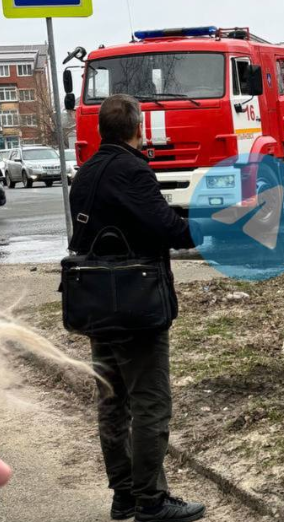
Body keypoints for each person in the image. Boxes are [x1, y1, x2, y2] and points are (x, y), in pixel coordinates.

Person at [68, 94, 205, 522]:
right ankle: (151, 499)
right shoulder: (133, 171)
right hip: (135, 305)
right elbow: (165, 228)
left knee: (112, 400)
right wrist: (204, 229)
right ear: (136, 127)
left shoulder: (86, 174)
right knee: (150, 401)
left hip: (95, 304)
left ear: (100, 130)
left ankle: (123, 495)